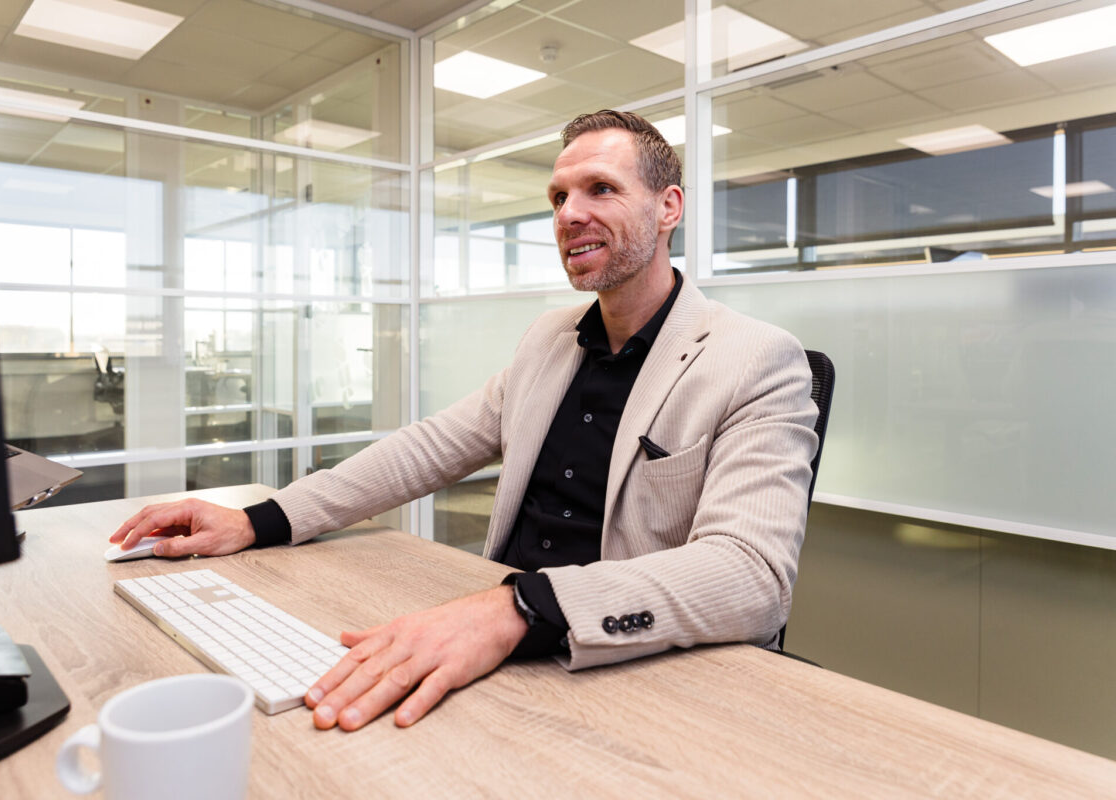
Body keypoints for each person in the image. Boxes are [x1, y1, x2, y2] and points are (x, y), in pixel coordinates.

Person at [110, 109, 819, 733]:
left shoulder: (755, 360)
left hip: (613, 668)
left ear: (668, 208)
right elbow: (425, 451)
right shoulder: (549, 339)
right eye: (558, 196)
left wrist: (522, 608)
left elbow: (752, 576)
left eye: (600, 188)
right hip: (495, 645)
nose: (569, 213)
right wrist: (259, 520)